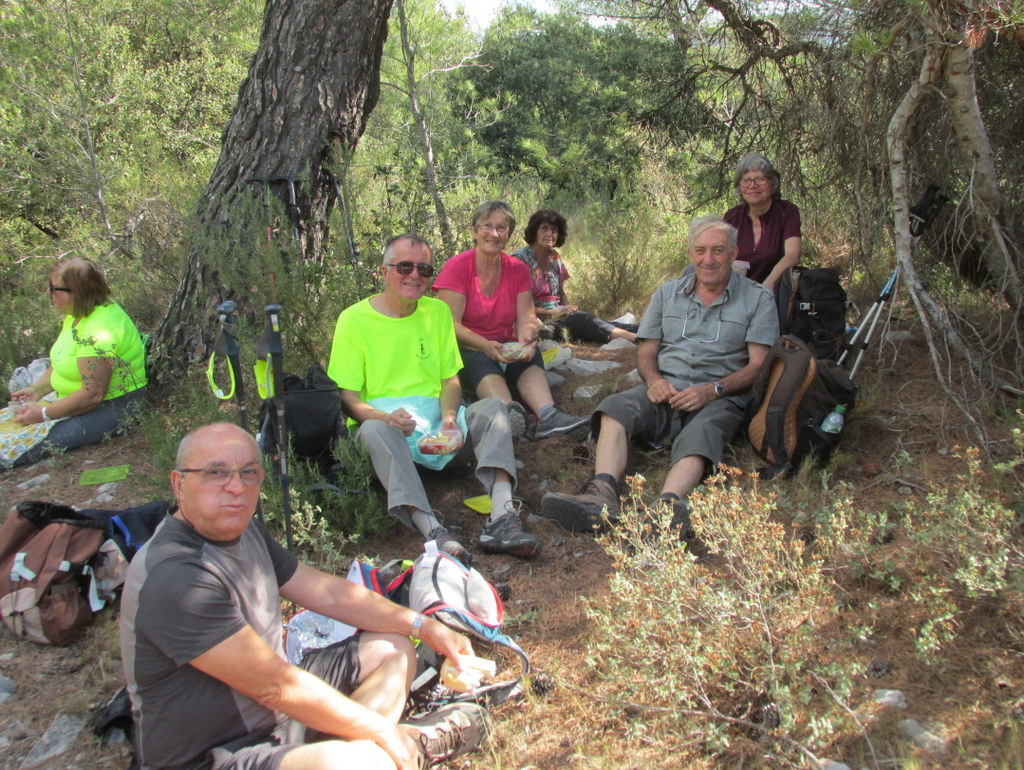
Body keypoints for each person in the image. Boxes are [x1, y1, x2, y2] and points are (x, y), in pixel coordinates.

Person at [120, 422, 490, 770]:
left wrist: (424, 626)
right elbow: (274, 686)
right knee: (358, 764)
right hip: (214, 753)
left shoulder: (244, 529)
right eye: (216, 473)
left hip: (279, 716)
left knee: (393, 647)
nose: (236, 487)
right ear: (178, 483)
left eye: (249, 472)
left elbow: (327, 593)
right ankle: (395, 746)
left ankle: (361, 745)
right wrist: (379, 729)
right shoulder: (176, 576)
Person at [540, 217, 779, 532]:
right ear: (691, 253)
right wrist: (653, 381)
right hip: (666, 385)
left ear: (733, 253)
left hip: (721, 394)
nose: (709, 259)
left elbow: (758, 365)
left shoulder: (758, 298)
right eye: (701, 250)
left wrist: (713, 390)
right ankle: (602, 494)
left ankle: (666, 508)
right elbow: (647, 350)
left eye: (718, 250)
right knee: (615, 408)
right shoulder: (668, 293)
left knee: (704, 431)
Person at [328, 234, 541, 564]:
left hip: (440, 433)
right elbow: (349, 399)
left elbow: (450, 380)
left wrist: (450, 420)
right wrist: (384, 418)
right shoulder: (353, 320)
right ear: (384, 271)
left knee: (495, 409)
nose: (415, 275)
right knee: (373, 431)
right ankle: (432, 530)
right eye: (404, 266)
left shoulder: (437, 312)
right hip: (391, 436)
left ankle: (502, 517)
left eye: (424, 269)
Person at [433, 200, 588, 441]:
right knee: (479, 359)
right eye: (487, 226)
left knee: (528, 352)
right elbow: (448, 326)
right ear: (474, 230)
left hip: (505, 344)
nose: (493, 233)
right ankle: (509, 417)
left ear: (508, 234)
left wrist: (527, 335)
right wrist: (484, 345)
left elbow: (526, 315)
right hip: (467, 347)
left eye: (501, 228)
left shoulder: (517, 268)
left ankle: (548, 415)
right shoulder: (457, 268)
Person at [4, 257, 147, 469]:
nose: (49, 292)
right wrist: (37, 389)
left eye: (53, 288)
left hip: (110, 409)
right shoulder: (78, 314)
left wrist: (43, 414)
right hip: (72, 400)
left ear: (75, 292)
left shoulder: (99, 332)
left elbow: (93, 394)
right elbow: (63, 360)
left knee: (10, 446)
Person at [511, 209, 639, 345]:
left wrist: (567, 308)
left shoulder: (553, 256)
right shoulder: (520, 260)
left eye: (554, 230)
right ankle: (637, 339)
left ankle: (649, 332)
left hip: (559, 317)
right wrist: (555, 312)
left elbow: (561, 292)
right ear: (534, 231)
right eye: (544, 228)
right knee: (583, 320)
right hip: (538, 323)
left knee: (596, 322)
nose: (550, 234)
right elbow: (517, 306)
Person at [722, 152, 802, 292]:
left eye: (760, 179)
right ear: (739, 187)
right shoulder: (731, 217)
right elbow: (720, 257)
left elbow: (793, 255)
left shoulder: (787, 212)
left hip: (775, 291)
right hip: (737, 292)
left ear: (773, 183)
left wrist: (769, 284)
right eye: (746, 180)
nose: (753, 185)